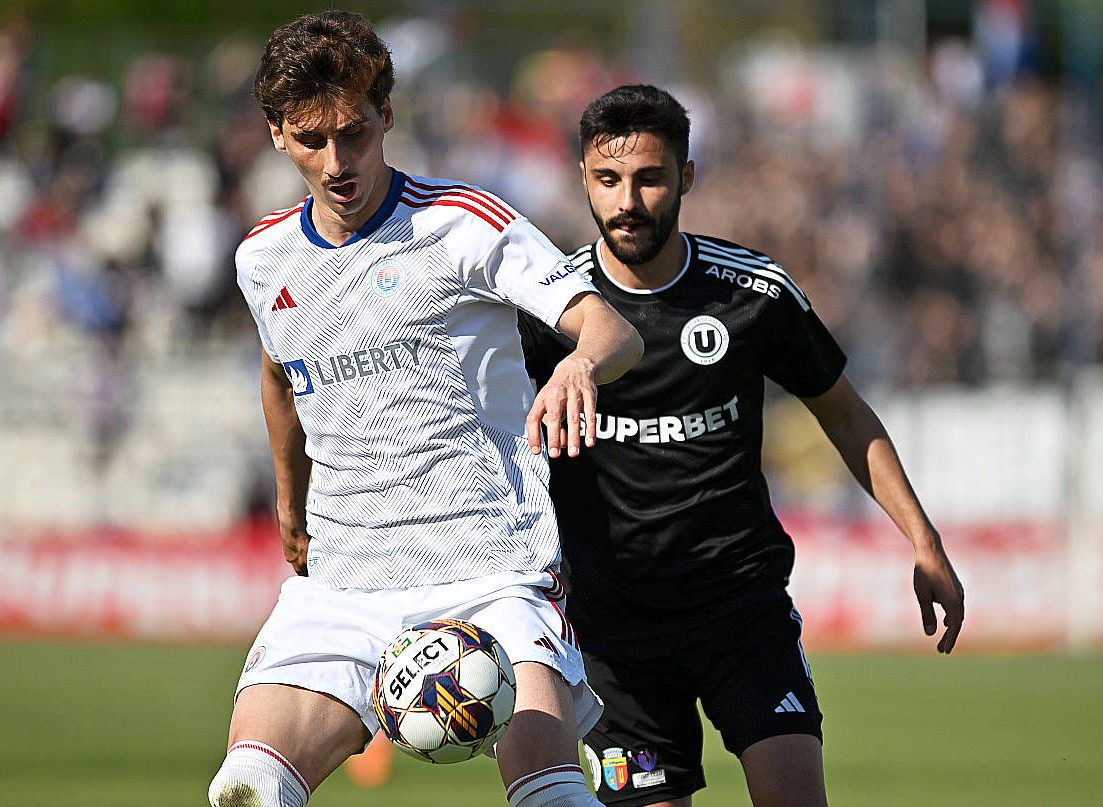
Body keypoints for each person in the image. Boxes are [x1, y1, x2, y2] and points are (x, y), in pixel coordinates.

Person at [210, 13, 643, 807]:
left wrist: (578, 364)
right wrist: (288, 495)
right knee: (247, 786)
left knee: (551, 794)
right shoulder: (262, 258)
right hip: (343, 580)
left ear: (386, 115)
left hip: (490, 568)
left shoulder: (462, 223)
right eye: (311, 139)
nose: (337, 161)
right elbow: (279, 372)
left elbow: (612, 329)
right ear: (275, 134)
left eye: (354, 133)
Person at [518, 85, 965, 807]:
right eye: (608, 179)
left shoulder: (752, 293)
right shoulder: (545, 309)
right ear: (583, 180)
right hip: (613, 637)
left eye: (650, 178)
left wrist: (923, 539)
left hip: (741, 610)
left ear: (687, 177)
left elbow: (846, 414)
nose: (627, 201)